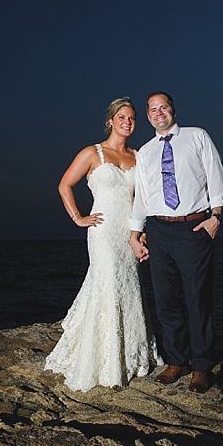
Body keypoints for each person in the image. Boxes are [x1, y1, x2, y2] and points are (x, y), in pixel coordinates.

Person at [45, 97, 161, 391]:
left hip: (128, 233)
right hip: (103, 230)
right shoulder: (92, 153)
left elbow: (140, 201)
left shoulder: (139, 156)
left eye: (132, 118)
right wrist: (77, 217)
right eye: (122, 117)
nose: (127, 121)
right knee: (108, 281)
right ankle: (105, 362)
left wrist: (140, 231)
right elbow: (64, 184)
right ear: (110, 120)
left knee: (129, 285)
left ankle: (130, 357)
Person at [129, 91, 223, 394]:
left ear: (173, 110)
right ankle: (176, 361)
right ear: (148, 117)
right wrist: (136, 233)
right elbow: (142, 197)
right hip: (158, 231)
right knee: (166, 299)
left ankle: (200, 366)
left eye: (164, 108)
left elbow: (215, 173)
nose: (159, 113)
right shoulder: (144, 152)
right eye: (153, 110)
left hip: (193, 228)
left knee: (197, 298)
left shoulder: (197, 136)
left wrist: (216, 216)